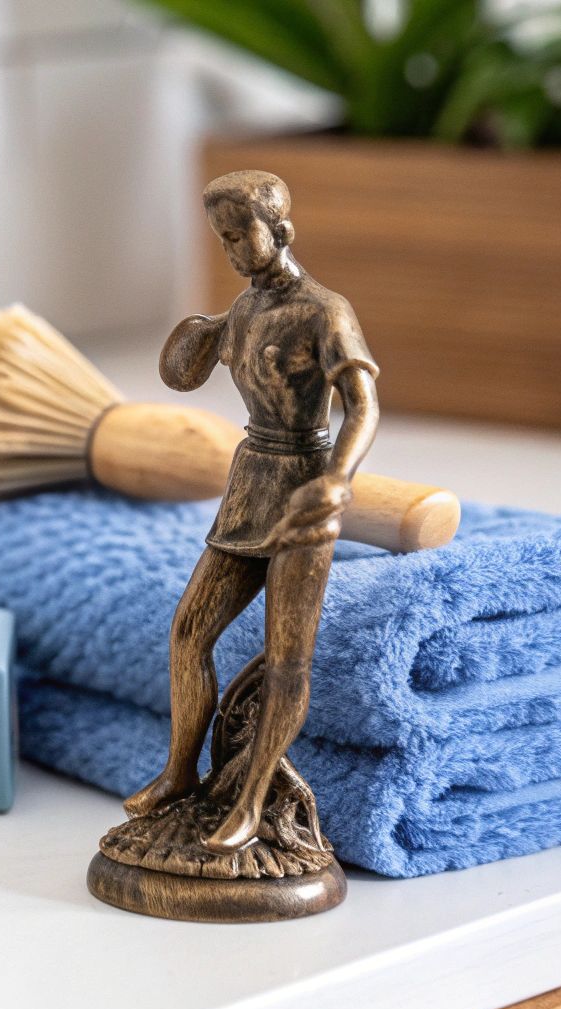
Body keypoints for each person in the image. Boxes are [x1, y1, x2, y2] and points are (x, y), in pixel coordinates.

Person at [122, 170, 379, 853]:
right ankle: (179, 773)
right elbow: (181, 375)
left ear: (281, 230)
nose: (234, 251)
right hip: (249, 486)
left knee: (287, 660)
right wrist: (201, 332)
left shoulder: (325, 310)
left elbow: (363, 405)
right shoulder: (241, 309)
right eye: (223, 238)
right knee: (188, 632)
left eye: (242, 235)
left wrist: (336, 483)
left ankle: (254, 797)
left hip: (304, 488)